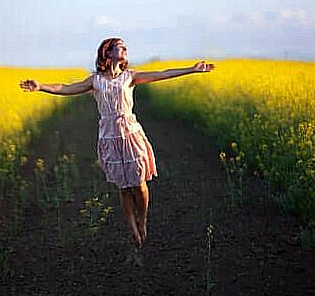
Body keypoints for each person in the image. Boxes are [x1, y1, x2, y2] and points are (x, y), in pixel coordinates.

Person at [19, 37, 215, 252]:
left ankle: (143, 220)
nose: (125, 50)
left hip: (131, 133)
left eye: (125, 47)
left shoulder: (130, 77)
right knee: (123, 187)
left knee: (139, 183)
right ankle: (131, 226)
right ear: (107, 52)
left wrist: (192, 69)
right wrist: (40, 87)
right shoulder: (95, 80)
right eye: (121, 47)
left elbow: (163, 74)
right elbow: (66, 87)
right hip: (109, 136)